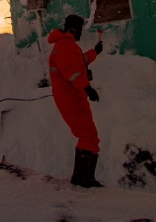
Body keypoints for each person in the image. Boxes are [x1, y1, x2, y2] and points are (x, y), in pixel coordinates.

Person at [48, 14, 104, 188]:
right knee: (88, 136)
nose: (81, 33)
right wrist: (87, 88)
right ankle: (82, 178)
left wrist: (95, 52)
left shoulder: (69, 45)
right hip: (69, 98)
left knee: (90, 136)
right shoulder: (64, 45)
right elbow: (72, 72)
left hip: (75, 97)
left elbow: (80, 62)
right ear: (74, 29)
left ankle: (86, 177)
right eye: (80, 29)